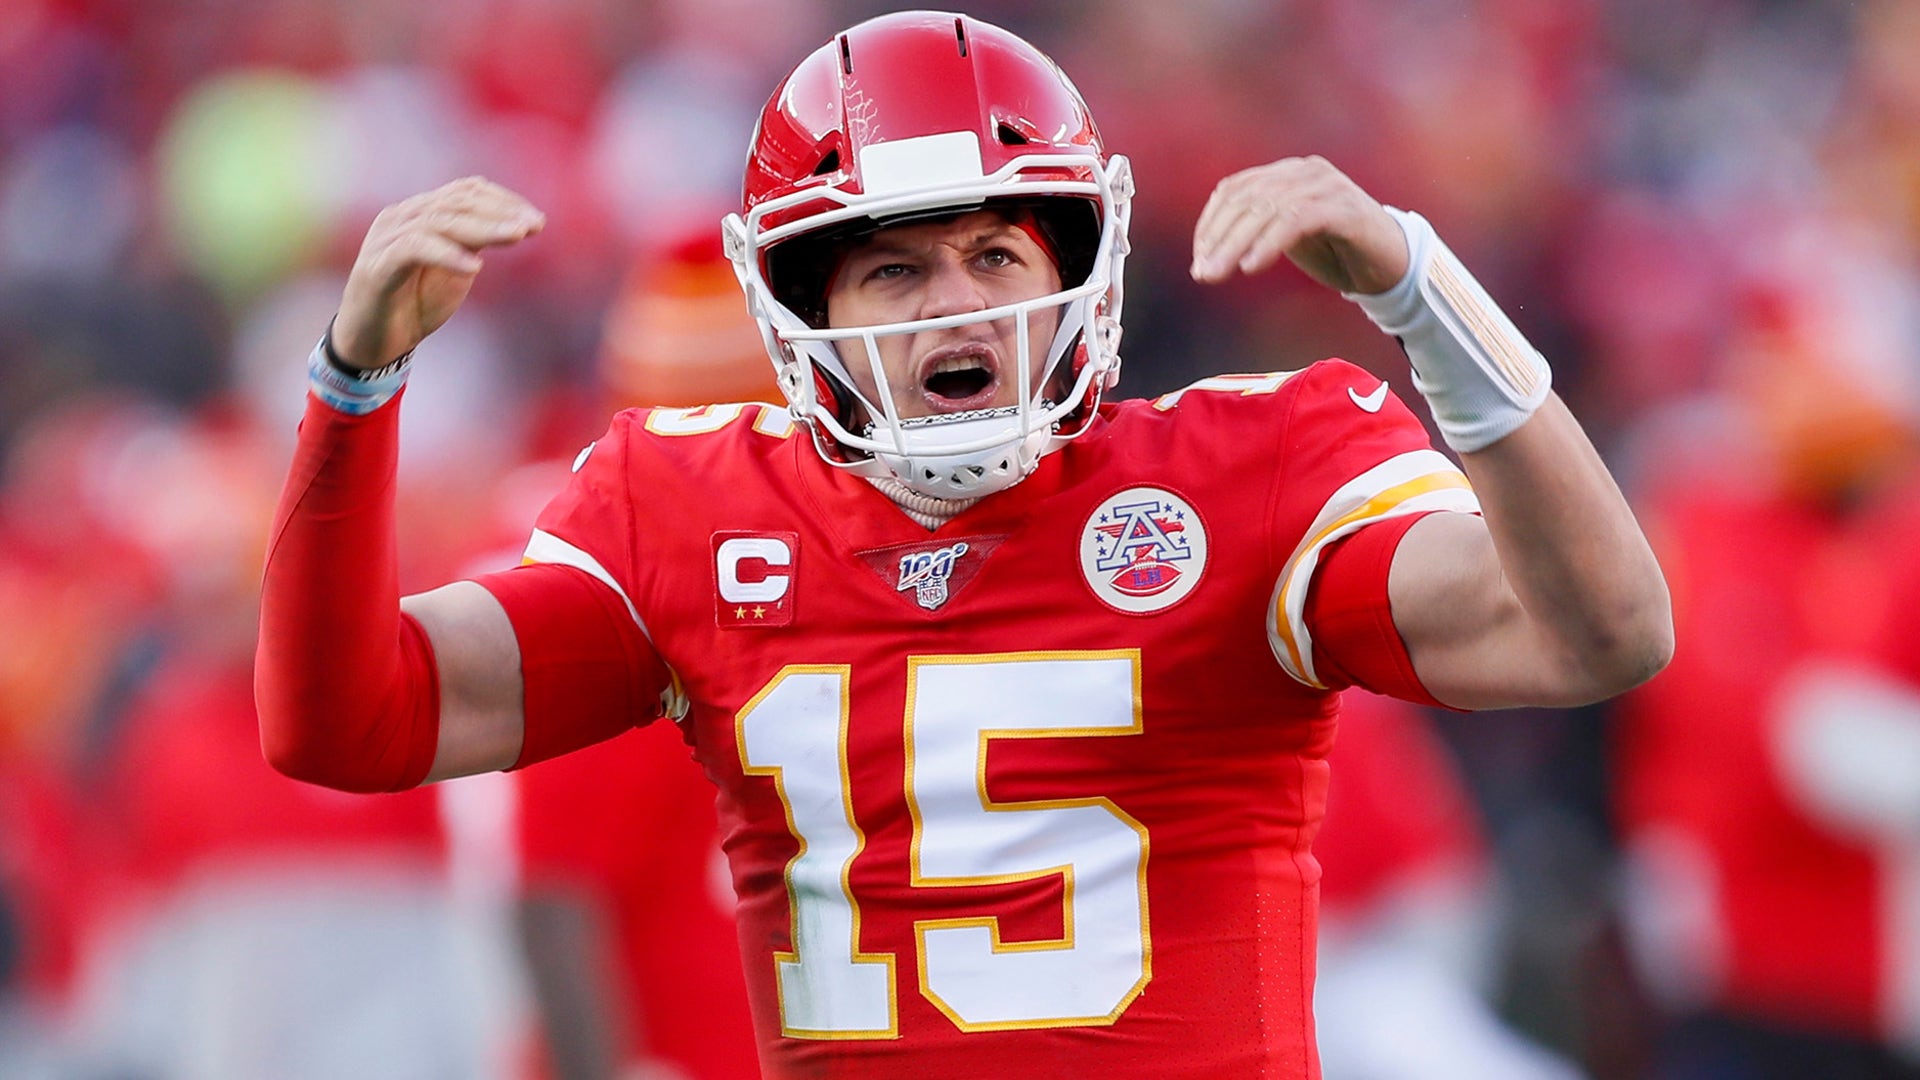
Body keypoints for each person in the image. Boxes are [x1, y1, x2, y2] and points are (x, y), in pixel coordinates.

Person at [255, 11, 1672, 1078]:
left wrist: (1425, 296)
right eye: (895, 268)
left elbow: (1599, 632)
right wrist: (354, 386)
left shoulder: (1245, 473)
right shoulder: (686, 505)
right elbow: (346, 720)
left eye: (1000, 257)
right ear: (804, 310)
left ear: (1076, 278)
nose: (958, 307)